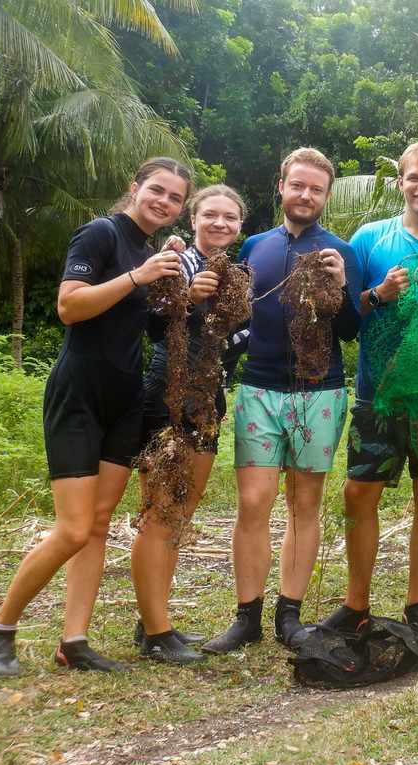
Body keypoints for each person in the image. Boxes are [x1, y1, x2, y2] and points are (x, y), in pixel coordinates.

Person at [0, 158, 192, 676]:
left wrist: (170, 282)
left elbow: (147, 328)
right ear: (135, 187)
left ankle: (73, 641)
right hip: (78, 394)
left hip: (125, 399)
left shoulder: (150, 252)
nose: (164, 203)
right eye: (157, 191)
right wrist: (137, 275)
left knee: (98, 524)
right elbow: (70, 306)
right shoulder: (99, 235)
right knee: (74, 529)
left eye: (174, 199)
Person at [319, 142, 418, 640]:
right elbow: (345, 314)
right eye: (414, 177)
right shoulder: (369, 239)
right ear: (401, 183)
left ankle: (417, 602)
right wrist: (379, 294)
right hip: (377, 392)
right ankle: (356, 603)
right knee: (357, 493)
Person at [202, 149, 360, 654]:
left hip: (320, 391)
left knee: (303, 504)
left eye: (316, 189)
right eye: (298, 186)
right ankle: (246, 615)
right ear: (282, 186)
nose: (305, 196)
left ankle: (288, 615)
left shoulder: (340, 250)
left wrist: (340, 286)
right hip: (259, 388)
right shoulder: (253, 245)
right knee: (253, 503)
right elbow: (232, 315)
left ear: (326, 195)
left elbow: (353, 330)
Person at [131, 184, 250, 664]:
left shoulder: (238, 276)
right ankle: (158, 633)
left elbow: (237, 342)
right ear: (193, 218)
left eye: (231, 218)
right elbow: (155, 326)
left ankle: (153, 621)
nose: (221, 224)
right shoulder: (175, 261)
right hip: (167, 392)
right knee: (158, 515)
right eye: (211, 215)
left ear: (241, 225)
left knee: (179, 517)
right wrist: (189, 298)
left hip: (209, 398)